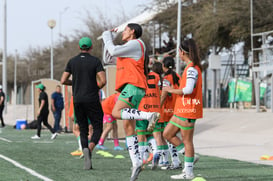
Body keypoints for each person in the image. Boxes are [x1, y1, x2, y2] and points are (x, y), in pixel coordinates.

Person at [102, 23, 160, 181]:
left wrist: (107, 36)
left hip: (133, 86)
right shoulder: (128, 48)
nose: (122, 32)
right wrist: (109, 37)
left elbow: (112, 49)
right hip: (132, 87)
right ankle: (136, 163)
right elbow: (107, 57)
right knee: (128, 126)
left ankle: (148, 116)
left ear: (132, 32)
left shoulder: (136, 43)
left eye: (125, 30)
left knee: (115, 112)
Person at [61, 37, 106, 170]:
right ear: (91, 47)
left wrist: (74, 83)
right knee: (97, 126)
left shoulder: (72, 61)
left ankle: (84, 148)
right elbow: (103, 81)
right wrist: (95, 87)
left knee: (83, 129)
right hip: (92, 98)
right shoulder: (95, 61)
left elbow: (63, 80)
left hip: (78, 99)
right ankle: (90, 149)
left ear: (79, 47)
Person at [162, 39, 203, 179]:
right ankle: (188, 157)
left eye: (178, 51)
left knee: (187, 141)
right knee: (167, 134)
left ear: (182, 52)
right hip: (181, 110)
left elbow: (188, 89)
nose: (178, 54)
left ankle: (189, 172)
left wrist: (170, 90)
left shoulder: (192, 68)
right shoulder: (189, 67)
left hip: (188, 110)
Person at [160, 56, 182, 170]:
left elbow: (164, 94)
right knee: (174, 136)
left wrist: (158, 106)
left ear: (163, 66)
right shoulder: (177, 76)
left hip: (168, 111)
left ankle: (176, 161)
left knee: (169, 136)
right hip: (178, 109)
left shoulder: (167, 78)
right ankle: (177, 160)